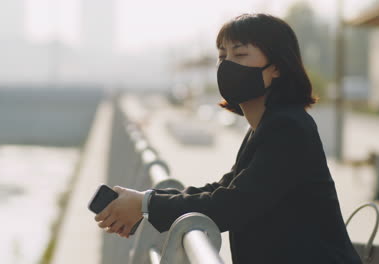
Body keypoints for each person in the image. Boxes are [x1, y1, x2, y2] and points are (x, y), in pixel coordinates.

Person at [94, 13, 362, 263]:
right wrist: (145, 203)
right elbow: (223, 188)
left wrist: (146, 205)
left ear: (277, 67)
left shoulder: (289, 128)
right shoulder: (265, 126)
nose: (226, 65)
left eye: (240, 54)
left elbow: (234, 204)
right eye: (222, 56)